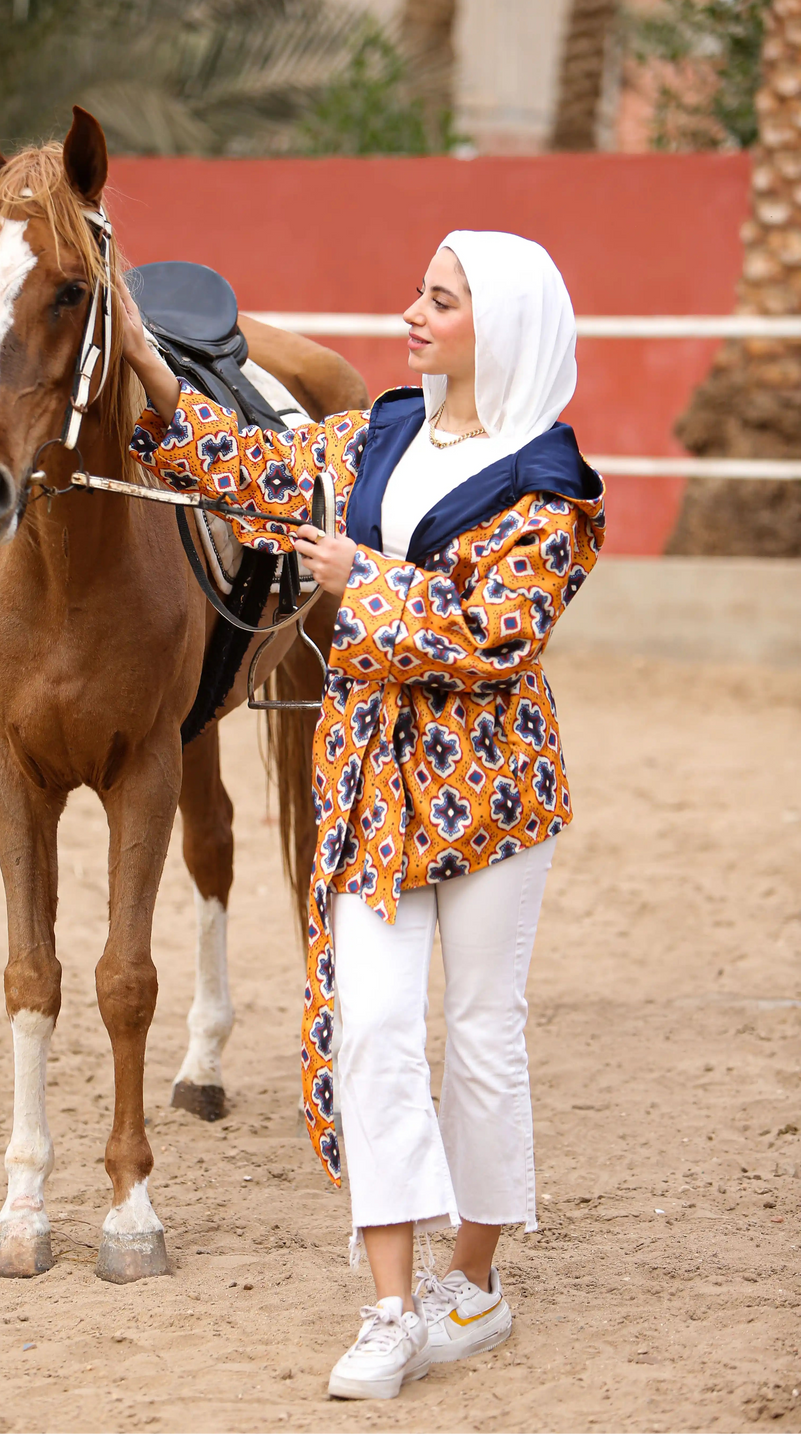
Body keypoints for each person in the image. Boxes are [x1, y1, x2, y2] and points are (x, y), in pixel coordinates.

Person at [118, 231, 605, 1401]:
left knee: (482, 1034)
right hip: (368, 789)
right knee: (376, 1029)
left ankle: (472, 1287)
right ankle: (389, 1306)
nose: (411, 314)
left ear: (506, 327)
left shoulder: (553, 487)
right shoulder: (380, 433)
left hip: (490, 793)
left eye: (439, 301)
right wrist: (144, 365)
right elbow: (249, 467)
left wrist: (358, 579)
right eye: (419, 296)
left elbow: (496, 634)